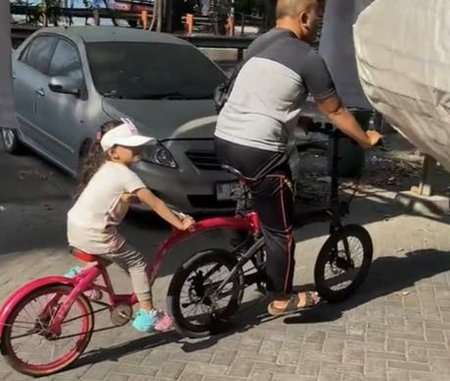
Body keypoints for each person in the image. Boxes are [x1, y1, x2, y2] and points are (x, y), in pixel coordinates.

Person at [214, 0, 382, 316]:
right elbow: (335, 110)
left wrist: (297, 121)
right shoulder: (308, 58)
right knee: (281, 229)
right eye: (318, 17)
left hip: (225, 140)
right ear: (305, 17)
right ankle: (280, 297)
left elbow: (264, 94)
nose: (319, 24)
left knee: (264, 204)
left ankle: (246, 243)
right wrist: (365, 139)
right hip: (259, 150)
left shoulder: (258, 44)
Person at [67, 120, 195, 333]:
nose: (139, 149)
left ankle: (81, 278)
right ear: (114, 152)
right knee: (136, 262)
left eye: (138, 145)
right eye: (131, 146)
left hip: (77, 226)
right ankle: (147, 313)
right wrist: (180, 224)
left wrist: (137, 200)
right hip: (97, 233)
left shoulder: (107, 168)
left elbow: (124, 197)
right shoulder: (126, 175)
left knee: (107, 255)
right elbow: (154, 202)